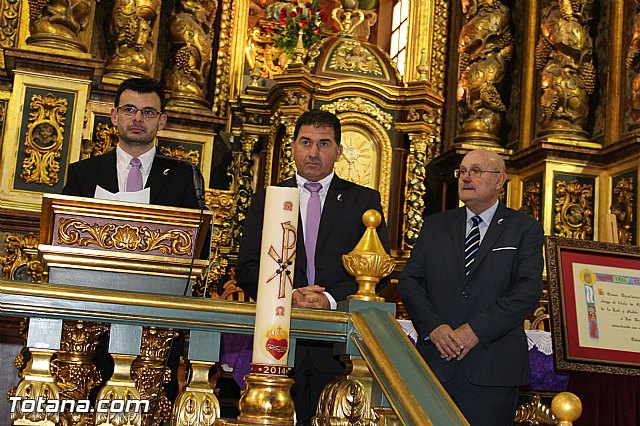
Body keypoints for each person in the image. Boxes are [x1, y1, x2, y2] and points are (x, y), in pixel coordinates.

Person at [236, 109, 390, 425]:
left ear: (339, 151)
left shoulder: (363, 201)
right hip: (277, 338)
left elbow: (377, 271)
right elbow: (248, 267)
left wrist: (330, 299)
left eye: (324, 144)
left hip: (337, 346)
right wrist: (287, 294)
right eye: (306, 142)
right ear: (292, 147)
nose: (313, 153)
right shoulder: (268, 198)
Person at [398, 149, 543, 426]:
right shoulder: (435, 225)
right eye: (462, 171)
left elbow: (526, 292)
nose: (466, 177)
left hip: (492, 368)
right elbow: (410, 281)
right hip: (435, 364)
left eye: (476, 171)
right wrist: (435, 326)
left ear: (500, 180)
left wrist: (475, 330)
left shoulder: (524, 228)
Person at [62, 77, 201, 209]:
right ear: (115, 116)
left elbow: (197, 232)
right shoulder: (83, 173)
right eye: (129, 110)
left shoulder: (184, 177)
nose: (138, 118)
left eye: (148, 112)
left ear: (162, 121)